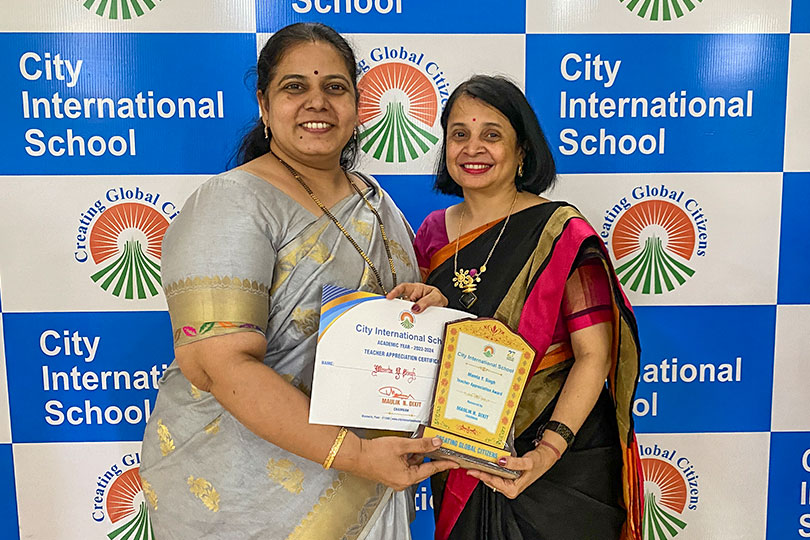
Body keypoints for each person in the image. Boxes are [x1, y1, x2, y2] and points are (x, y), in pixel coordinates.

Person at [139, 22, 456, 539]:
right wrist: (358, 456)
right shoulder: (231, 203)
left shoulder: (375, 202)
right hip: (245, 495)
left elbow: (392, 319)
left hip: (373, 476)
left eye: (335, 87)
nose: (317, 102)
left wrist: (422, 305)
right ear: (264, 106)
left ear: (357, 106)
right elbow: (217, 365)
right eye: (295, 87)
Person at [413, 75, 644, 540]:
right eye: (459, 134)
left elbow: (594, 354)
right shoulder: (433, 232)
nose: (472, 148)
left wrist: (546, 452)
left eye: (491, 134)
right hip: (461, 461)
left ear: (522, 151)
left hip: (559, 465)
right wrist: (426, 312)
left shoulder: (561, 232)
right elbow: (424, 347)